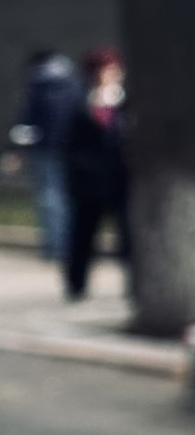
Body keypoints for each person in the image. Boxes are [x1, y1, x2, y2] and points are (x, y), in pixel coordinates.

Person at [63, 46, 131, 301]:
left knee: (129, 236)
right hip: (90, 181)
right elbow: (71, 143)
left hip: (121, 179)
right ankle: (76, 286)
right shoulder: (83, 101)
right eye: (106, 70)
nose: (111, 74)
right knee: (84, 235)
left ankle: (134, 286)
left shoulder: (126, 101)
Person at [10, 50, 85, 263]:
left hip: (43, 150)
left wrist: (17, 150)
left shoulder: (37, 85)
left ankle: (54, 246)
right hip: (71, 150)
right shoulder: (74, 82)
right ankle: (69, 244)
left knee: (48, 198)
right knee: (67, 198)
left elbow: (27, 121)